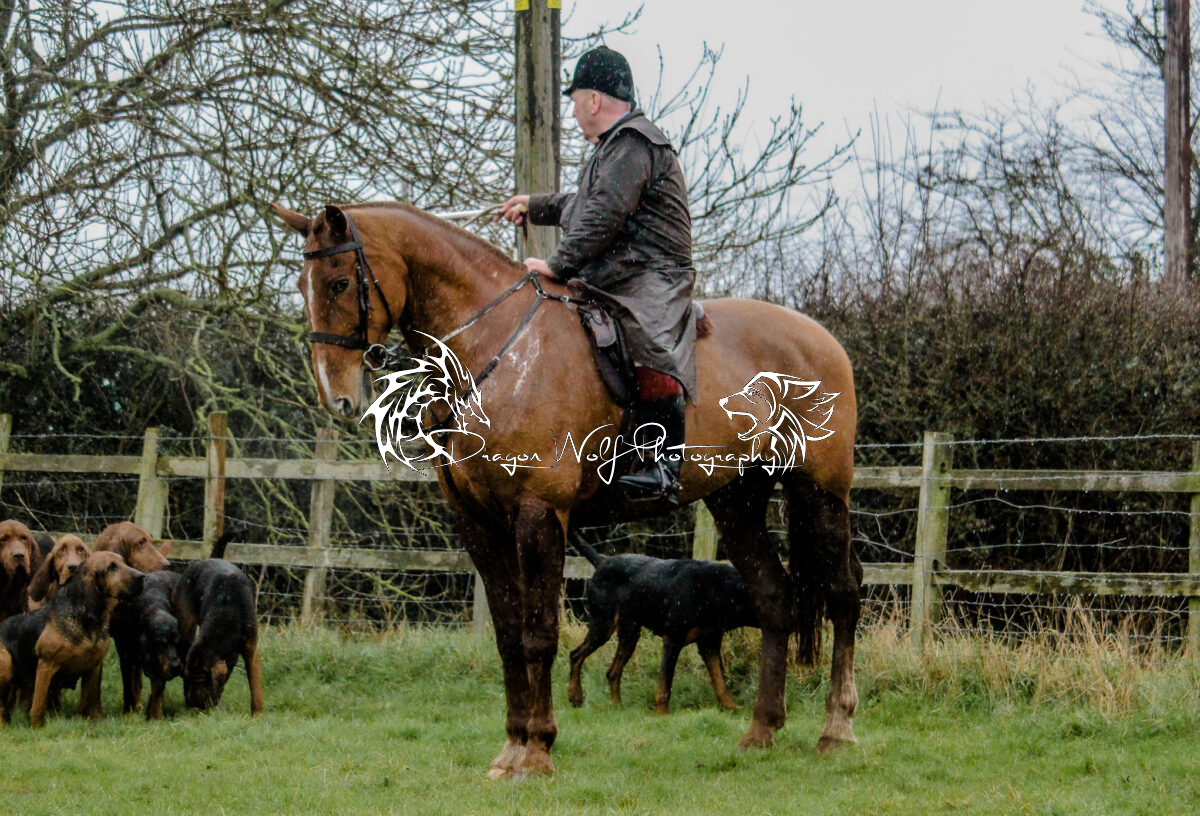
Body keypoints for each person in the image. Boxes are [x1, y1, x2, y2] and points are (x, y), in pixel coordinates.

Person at [498, 45, 699, 504]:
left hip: (653, 274)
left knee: (646, 332)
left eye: (574, 101)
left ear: (593, 100)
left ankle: (663, 464)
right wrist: (534, 205)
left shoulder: (635, 143)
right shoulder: (612, 150)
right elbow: (584, 205)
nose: (572, 112)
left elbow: (604, 215)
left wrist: (555, 265)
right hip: (619, 271)